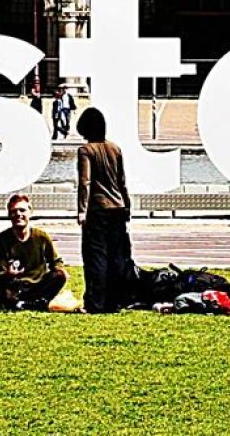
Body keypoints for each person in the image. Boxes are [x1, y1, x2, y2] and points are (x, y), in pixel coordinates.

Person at [76, 107, 133, 313]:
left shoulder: (86, 150)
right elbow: (122, 181)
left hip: (98, 209)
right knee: (116, 256)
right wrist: (127, 204)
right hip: (118, 207)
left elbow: (85, 182)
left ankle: (95, 302)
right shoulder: (115, 149)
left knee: (96, 256)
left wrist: (82, 210)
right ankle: (115, 301)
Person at [0, 193, 68, 311]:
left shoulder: (42, 237)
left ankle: (25, 303)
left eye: (22, 210)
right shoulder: (0, 240)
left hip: (36, 287)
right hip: (11, 288)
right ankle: (19, 303)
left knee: (59, 275)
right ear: (9, 214)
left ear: (30, 212)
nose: (18, 214)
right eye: (14, 211)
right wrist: (9, 274)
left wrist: (59, 269)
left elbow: (55, 261)